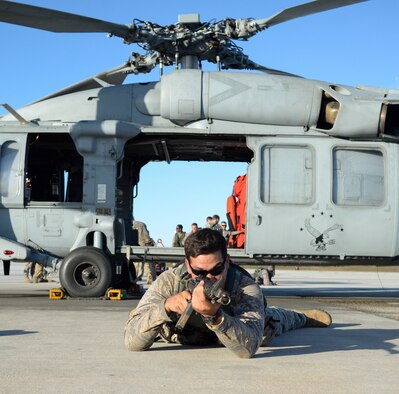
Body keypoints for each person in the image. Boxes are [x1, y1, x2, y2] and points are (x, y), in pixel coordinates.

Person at [125, 228, 332, 359]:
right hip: (184, 335)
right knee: (148, 317)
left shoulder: (246, 287)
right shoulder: (170, 281)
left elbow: (247, 349)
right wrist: (166, 307)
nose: (207, 278)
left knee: (274, 320)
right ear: (187, 265)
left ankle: (303, 317)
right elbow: (132, 343)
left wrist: (215, 317)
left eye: (216, 270)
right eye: (198, 272)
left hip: (236, 328)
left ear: (227, 261)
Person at [132, 220, 157, 285]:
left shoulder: (133, 224)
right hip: (146, 243)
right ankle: (150, 277)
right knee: (147, 263)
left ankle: (135, 278)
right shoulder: (142, 224)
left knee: (136, 262)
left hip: (138, 244)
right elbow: (147, 234)